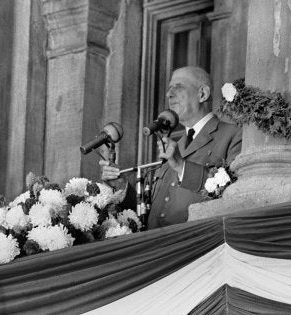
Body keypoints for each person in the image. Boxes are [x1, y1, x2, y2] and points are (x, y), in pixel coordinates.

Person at [101, 66, 242, 229]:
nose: (169, 94)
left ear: (202, 94)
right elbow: (150, 210)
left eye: (178, 87)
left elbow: (236, 194)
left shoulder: (233, 134)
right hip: (158, 246)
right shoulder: (175, 146)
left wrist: (182, 166)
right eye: (169, 89)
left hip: (200, 241)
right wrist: (122, 187)